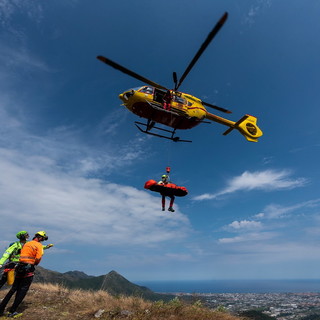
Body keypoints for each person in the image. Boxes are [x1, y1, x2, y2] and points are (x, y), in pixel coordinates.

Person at [0, 231, 49, 318]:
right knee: (23, 290)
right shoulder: (39, 245)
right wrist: (35, 263)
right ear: (41, 238)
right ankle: (12, 311)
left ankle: (1, 309)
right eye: (43, 239)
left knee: (13, 289)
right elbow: (38, 257)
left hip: (19, 267)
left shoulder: (26, 244)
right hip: (29, 269)